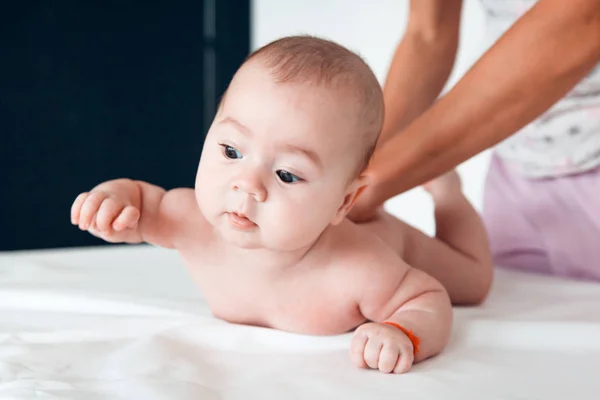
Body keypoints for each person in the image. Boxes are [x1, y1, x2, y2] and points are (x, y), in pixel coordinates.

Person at [70, 36, 492, 374]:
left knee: (473, 284)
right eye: (232, 151)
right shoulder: (190, 221)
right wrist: (114, 200)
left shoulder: (359, 269)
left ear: (343, 201)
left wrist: (404, 331)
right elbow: (143, 201)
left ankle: (447, 193)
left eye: (287, 175)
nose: (247, 185)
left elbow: (426, 298)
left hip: (386, 237)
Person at [349, 0, 600, 281]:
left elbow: (582, 20)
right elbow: (428, 36)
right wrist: (357, 168)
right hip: (514, 174)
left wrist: (371, 182)